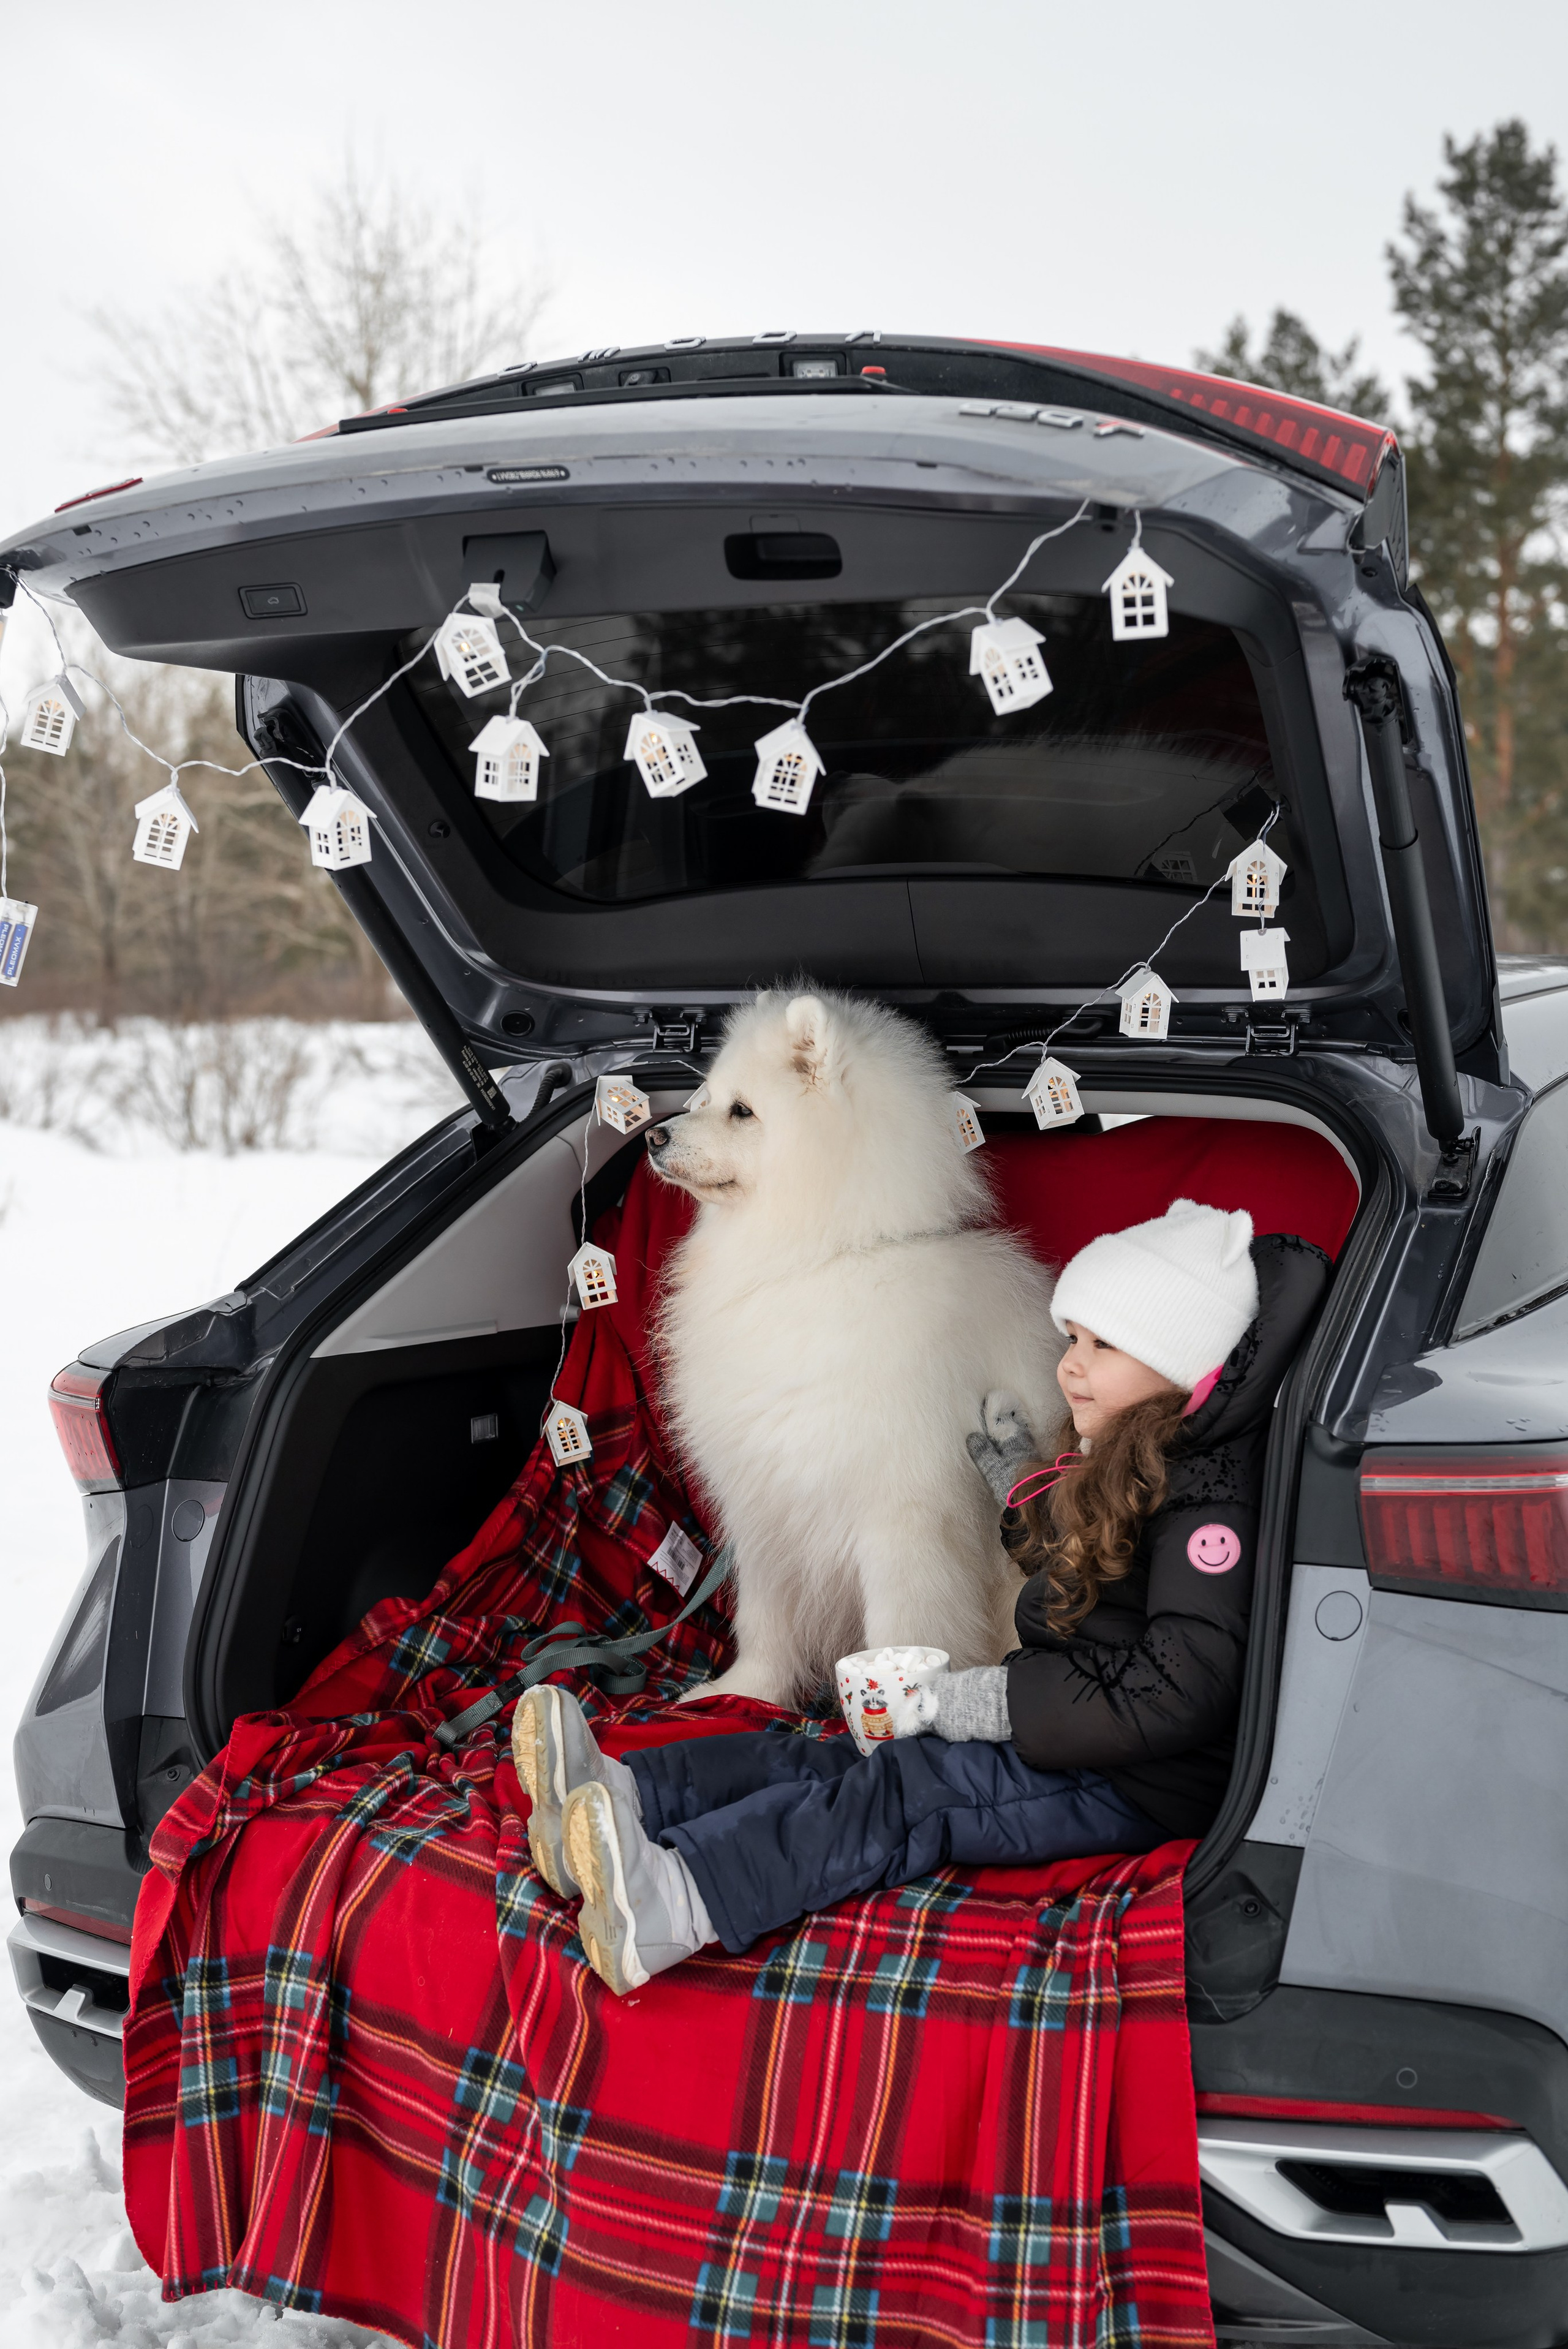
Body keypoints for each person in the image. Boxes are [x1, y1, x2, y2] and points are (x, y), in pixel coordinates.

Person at [512, 1199, 1330, 1995]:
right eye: (1072, 1337)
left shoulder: (1212, 1508)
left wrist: (992, 1703)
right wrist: (1022, 1491)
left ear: (1180, 1362)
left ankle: (678, 1901)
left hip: (1136, 1781)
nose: (1069, 1365)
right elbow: (1094, 1563)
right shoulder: (1139, 1451)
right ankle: (624, 1793)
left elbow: (1176, 1692)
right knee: (848, 1753)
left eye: (1103, 1345)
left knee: (907, 1793)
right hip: (1078, 1732)